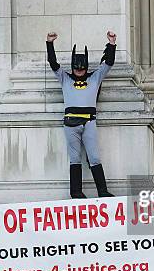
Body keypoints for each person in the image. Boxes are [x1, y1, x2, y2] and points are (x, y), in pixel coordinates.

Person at [46, 30, 117, 198]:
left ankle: (102, 191)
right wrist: (49, 43)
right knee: (75, 158)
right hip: (71, 124)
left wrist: (112, 43)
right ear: (72, 66)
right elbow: (53, 63)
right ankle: (76, 192)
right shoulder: (65, 78)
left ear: (86, 67)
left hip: (89, 123)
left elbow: (109, 63)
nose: (79, 70)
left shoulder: (95, 78)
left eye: (82, 68)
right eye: (77, 68)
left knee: (94, 157)